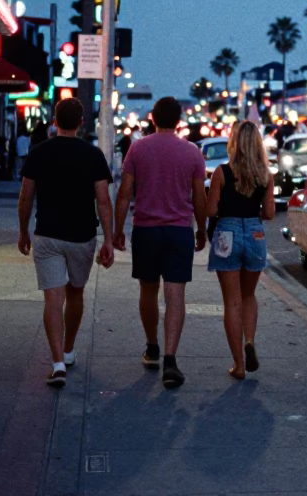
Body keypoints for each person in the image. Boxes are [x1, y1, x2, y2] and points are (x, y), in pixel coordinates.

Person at [17, 98, 116, 387]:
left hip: (47, 233)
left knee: (52, 298)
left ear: (55, 121)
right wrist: (108, 239)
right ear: (82, 122)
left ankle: (57, 361)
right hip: (81, 235)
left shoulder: (38, 153)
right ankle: (69, 349)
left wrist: (23, 231)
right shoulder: (93, 155)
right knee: (75, 294)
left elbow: (26, 197)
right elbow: (103, 200)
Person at [114, 97, 207, 389]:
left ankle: (152, 345)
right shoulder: (192, 152)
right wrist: (201, 229)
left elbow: (125, 192)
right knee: (175, 294)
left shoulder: (138, 148)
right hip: (179, 231)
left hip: (146, 229)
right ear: (179, 121)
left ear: (153, 118)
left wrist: (117, 229)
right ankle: (170, 358)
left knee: (148, 290)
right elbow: (199, 197)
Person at [205, 121, 275, 379]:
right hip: (255, 233)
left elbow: (210, 211)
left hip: (227, 233)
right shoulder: (266, 176)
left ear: (233, 143)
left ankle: (239, 365)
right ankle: (250, 340)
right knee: (249, 295)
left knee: (231, 302)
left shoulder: (221, 172)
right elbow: (269, 213)